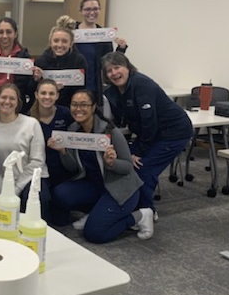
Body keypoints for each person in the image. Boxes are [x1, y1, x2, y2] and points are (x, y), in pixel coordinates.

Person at [48, 90, 152, 243]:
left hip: (120, 188)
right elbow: (72, 168)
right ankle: (96, 212)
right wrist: (63, 152)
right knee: (60, 193)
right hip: (96, 185)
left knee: (94, 234)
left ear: (93, 107)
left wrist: (112, 163)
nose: (78, 109)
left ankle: (139, 217)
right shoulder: (73, 130)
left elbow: (128, 167)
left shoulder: (110, 132)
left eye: (84, 105)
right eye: (74, 105)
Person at [102, 52, 193, 214]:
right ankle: (129, 206)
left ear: (127, 67)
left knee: (144, 169)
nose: (114, 73)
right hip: (151, 134)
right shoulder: (113, 91)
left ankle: (147, 212)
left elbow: (149, 123)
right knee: (125, 163)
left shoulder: (142, 84)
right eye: (109, 71)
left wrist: (137, 152)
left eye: (117, 67)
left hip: (173, 133)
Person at [0, 83, 50, 219]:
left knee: (33, 199)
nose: (7, 102)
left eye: (12, 98)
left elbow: (37, 161)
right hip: (2, 180)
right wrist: (4, 188)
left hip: (31, 177)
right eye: (3, 97)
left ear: (18, 102)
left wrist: (16, 188)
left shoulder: (31, 124)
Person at [74, 0, 128, 105]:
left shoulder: (104, 35)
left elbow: (109, 61)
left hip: (93, 85)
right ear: (81, 11)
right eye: (87, 9)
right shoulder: (71, 32)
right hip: (73, 84)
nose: (92, 12)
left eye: (95, 9)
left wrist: (121, 49)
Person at [33, 15, 88, 107]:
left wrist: (64, 88)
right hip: (44, 108)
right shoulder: (41, 61)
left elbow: (83, 89)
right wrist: (36, 80)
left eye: (64, 41)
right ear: (50, 43)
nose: (59, 45)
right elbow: (32, 91)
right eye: (56, 41)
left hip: (70, 108)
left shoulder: (79, 61)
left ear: (71, 44)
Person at [29, 79, 74, 191]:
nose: (47, 97)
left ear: (57, 96)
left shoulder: (66, 114)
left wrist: (64, 149)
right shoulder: (29, 119)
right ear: (36, 95)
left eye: (51, 93)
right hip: (38, 171)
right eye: (43, 93)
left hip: (63, 170)